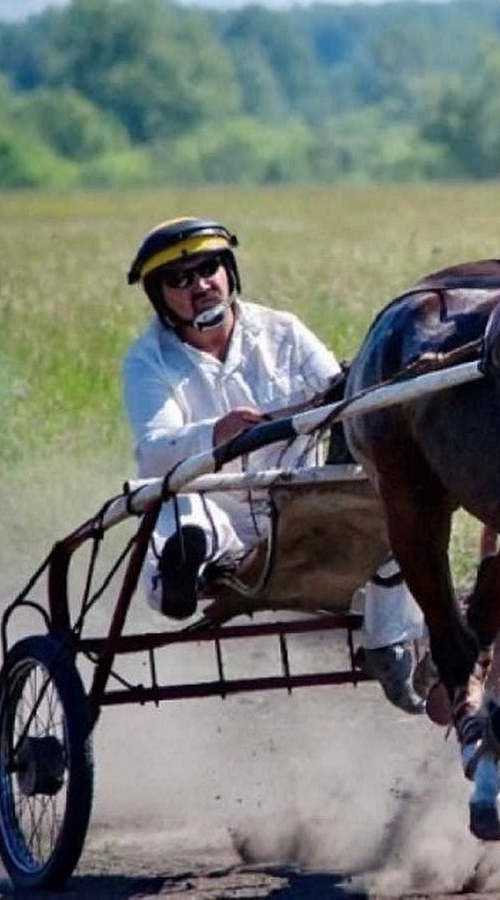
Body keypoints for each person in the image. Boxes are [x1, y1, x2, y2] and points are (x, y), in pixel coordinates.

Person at [122, 216, 425, 713]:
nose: (200, 285)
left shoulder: (283, 331)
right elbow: (155, 449)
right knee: (184, 509)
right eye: (180, 279)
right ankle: (178, 574)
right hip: (217, 508)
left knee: (397, 508)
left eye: (209, 268)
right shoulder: (147, 362)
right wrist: (217, 433)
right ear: (160, 297)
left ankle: (385, 642)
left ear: (228, 271)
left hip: (300, 503)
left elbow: (345, 401)